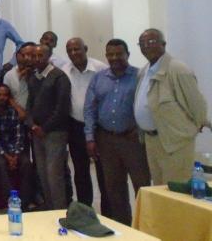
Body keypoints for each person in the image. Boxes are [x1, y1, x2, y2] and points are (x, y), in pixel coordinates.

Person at [84, 39, 150, 225]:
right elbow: (89, 109)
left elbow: (147, 106)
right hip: (106, 141)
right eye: (110, 55)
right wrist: (90, 138)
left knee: (142, 187)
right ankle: (124, 227)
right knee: (114, 189)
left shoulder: (139, 77)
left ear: (127, 54)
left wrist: (139, 128)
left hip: (133, 141)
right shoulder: (98, 78)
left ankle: (145, 227)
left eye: (118, 54)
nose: (114, 58)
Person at [134, 28, 208, 185]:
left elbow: (198, 108)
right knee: (160, 190)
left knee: (176, 190)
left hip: (175, 143)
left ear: (163, 44)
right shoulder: (143, 71)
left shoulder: (177, 69)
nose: (147, 46)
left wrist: (189, 130)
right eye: (142, 43)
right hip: (152, 141)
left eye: (152, 42)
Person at [60, 37, 107, 211]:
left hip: (99, 128)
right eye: (70, 50)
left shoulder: (101, 69)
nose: (73, 53)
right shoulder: (64, 71)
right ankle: (85, 209)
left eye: (77, 49)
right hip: (75, 126)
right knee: (80, 171)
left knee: (103, 171)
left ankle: (108, 211)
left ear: (85, 48)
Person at [27, 44, 71, 210]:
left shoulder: (59, 77)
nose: (36, 59)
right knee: (43, 173)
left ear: (49, 56)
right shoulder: (34, 77)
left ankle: (60, 210)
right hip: (37, 133)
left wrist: (44, 128)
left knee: (54, 175)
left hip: (54, 133)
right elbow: (29, 105)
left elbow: (62, 108)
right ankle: (49, 207)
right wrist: (32, 125)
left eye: (41, 56)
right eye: (34, 56)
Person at [0, 84, 33, 208]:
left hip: (13, 148)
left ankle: (25, 203)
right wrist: (7, 157)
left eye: (5, 95)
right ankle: (12, 202)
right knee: (0, 164)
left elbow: (19, 135)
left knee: (26, 163)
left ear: (9, 97)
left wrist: (15, 155)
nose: (2, 98)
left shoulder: (14, 111)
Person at [3, 42, 37, 118]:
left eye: (32, 55)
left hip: (37, 117)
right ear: (17, 55)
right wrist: (19, 110)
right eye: (24, 55)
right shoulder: (9, 75)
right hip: (16, 116)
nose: (27, 58)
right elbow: (7, 96)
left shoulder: (40, 73)